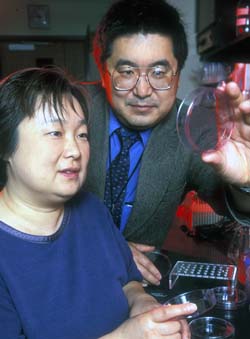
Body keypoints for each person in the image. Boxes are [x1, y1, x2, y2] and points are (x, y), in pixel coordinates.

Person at [0, 67, 197, 339]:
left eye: (81, 134)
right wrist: (127, 336)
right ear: (6, 146)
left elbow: (128, 283)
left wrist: (146, 308)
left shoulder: (91, 209)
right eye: (55, 133)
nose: (75, 150)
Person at [83, 0, 250, 286]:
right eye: (126, 72)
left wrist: (246, 181)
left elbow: (235, 207)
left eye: (159, 73)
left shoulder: (193, 126)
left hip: (139, 294)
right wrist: (107, 249)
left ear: (178, 74)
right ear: (103, 71)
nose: (143, 90)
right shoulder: (65, 108)